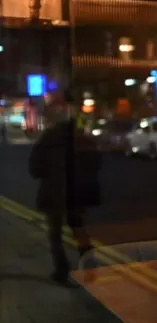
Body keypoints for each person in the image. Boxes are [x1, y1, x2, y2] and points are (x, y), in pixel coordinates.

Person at [28, 90, 101, 285]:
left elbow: (35, 169)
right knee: (79, 230)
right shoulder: (82, 139)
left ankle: (61, 271)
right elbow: (96, 163)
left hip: (54, 193)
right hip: (76, 192)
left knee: (55, 234)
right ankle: (90, 267)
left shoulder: (48, 139)